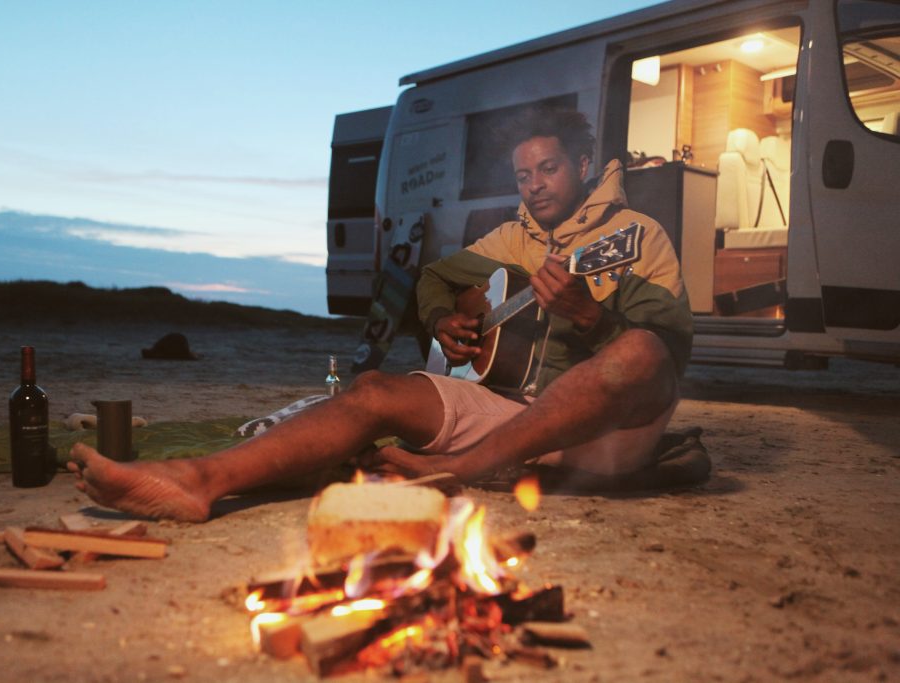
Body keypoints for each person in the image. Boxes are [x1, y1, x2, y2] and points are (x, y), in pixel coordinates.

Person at [68, 108, 692, 522]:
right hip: (514, 413)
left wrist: (592, 318)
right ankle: (197, 481)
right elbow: (432, 277)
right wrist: (443, 319)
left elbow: (666, 357)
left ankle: (459, 468)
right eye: (523, 174)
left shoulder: (636, 236)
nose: (534, 185)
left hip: (601, 436)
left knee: (641, 351)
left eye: (548, 168)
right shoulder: (511, 240)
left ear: (582, 166)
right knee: (372, 390)